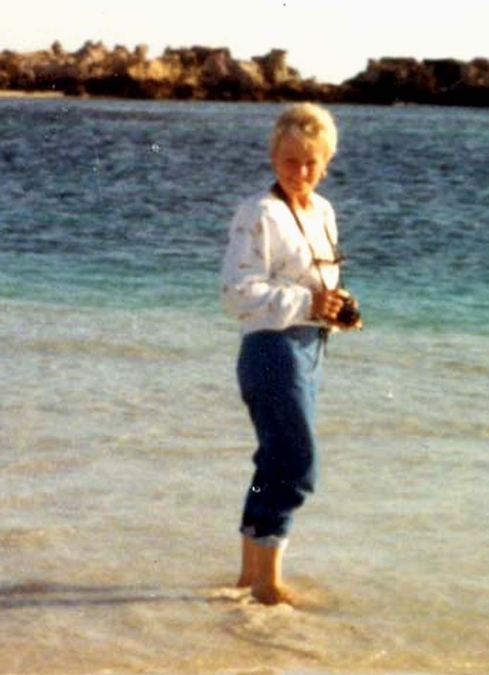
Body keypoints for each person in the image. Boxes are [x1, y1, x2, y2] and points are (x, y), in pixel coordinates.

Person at [221, 102, 361, 606]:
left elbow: (319, 281)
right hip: (271, 348)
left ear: (326, 162)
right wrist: (308, 301)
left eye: (310, 162)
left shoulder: (323, 210)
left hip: (311, 346)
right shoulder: (259, 212)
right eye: (289, 161)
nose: (300, 172)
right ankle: (267, 582)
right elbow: (236, 293)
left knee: (274, 461)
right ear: (273, 158)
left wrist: (338, 307)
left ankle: (247, 573)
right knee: (297, 465)